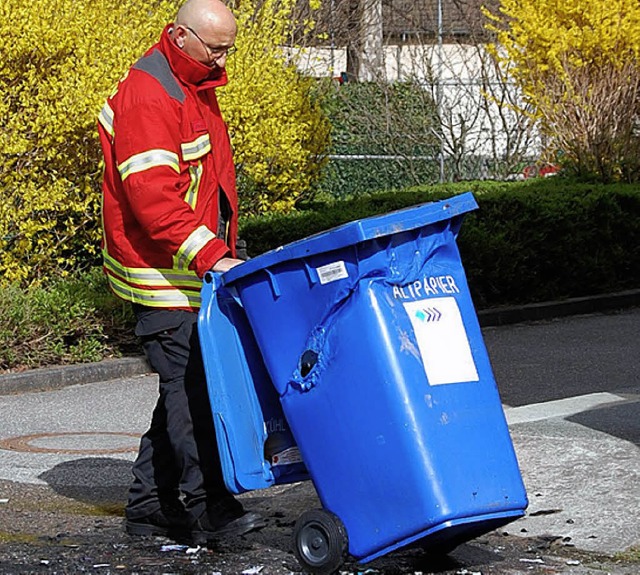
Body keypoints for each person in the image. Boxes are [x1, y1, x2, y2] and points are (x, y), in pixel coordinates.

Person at [97, 0, 265, 544]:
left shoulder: (192, 83)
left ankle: (149, 506)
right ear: (179, 36)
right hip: (162, 271)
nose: (222, 61)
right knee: (194, 392)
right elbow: (153, 202)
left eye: (227, 49)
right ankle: (208, 508)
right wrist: (215, 255)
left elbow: (204, 183)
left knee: (185, 387)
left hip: (186, 266)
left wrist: (220, 252)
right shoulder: (151, 94)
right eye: (215, 48)